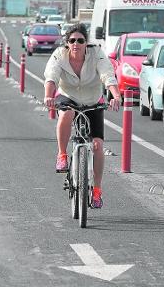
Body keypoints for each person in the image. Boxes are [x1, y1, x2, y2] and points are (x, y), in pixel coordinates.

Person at [44, 23, 121, 209]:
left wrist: (116, 95)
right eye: (72, 41)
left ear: (87, 43)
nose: (76, 44)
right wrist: (48, 95)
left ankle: (96, 190)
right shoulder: (59, 55)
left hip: (92, 100)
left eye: (80, 40)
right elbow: (51, 76)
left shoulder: (97, 53)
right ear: (67, 43)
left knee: (97, 145)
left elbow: (107, 75)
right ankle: (62, 154)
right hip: (68, 96)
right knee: (67, 113)